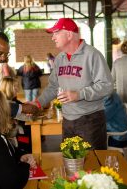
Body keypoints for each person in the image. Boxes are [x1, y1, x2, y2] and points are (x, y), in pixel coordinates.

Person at [32, 18, 113, 149]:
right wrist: (38, 103)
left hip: (90, 120)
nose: (53, 37)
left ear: (69, 34)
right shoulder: (59, 59)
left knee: (92, 164)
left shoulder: (93, 55)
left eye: (56, 33)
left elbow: (107, 86)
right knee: (70, 162)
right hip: (67, 120)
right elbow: (53, 87)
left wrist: (79, 94)